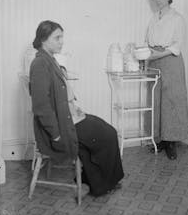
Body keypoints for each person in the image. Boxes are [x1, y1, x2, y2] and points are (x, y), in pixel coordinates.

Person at [29, 20, 124, 197]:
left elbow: (60, 95)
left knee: (99, 131)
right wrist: (56, 134)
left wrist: (75, 108)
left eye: (62, 37)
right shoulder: (40, 64)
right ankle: (104, 182)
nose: (61, 41)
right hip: (59, 128)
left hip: (67, 118)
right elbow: (41, 107)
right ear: (43, 39)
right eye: (57, 38)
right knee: (108, 133)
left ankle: (98, 183)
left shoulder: (48, 59)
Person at [145, 0, 188, 160]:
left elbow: (177, 45)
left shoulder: (177, 18)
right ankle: (160, 139)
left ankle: (171, 142)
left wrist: (156, 55)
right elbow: (149, 39)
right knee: (156, 99)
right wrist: (147, 53)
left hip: (171, 60)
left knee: (172, 100)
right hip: (155, 60)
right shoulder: (154, 17)